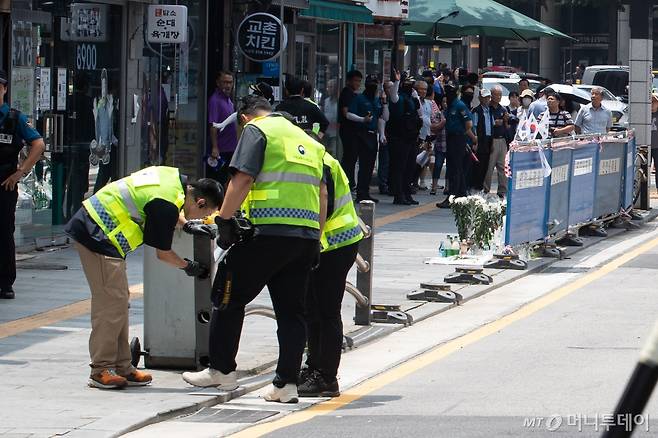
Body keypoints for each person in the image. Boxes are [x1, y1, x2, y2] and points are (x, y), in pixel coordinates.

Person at [182, 95, 328, 404]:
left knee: (226, 294)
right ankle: (286, 384)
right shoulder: (310, 142)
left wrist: (222, 221)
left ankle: (221, 371)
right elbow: (322, 194)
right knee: (291, 312)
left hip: (265, 233)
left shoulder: (257, 130)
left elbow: (243, 178)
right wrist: (317, 237)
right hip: (303, 238)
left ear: (244, 117)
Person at [65, 166, 222, 389]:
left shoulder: (175, 182)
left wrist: (186, 224)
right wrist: (189, 266)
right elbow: (163, 253)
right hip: (95, 233)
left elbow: (163, 206)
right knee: (110, 303)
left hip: (100, 231)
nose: (201, 219)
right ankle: (100, 369)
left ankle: (122, 366)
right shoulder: (166, 203)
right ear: (200, 202)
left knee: (119, 302)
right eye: (204, 215)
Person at [298, 152, 363, 398]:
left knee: (325, 311)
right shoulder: (313, 157)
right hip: (327, 243)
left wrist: (312, 240)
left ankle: (326, 376)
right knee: (313, 310)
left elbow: (325, 203)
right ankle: (314, 368)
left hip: (335, 244)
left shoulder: (319, 161)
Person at [0, 70, 46, 299]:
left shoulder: (13, 118)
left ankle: (6, 283)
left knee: (4, 232)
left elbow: (38, 144)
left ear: (5, 89)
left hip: (4, 185)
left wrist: (20, 172)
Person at [346, 74, 388, 203]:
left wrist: (382, 134)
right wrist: (362, 119)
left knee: (369, 165)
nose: (373, 87)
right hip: (361, 133)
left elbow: (383, 117)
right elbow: (348, 114)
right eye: (371, 84)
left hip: (372, 134)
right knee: (362, 165)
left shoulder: (376, 100)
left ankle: (365, 192)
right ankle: (360, 192)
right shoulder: (359, 98)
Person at [437, 82, 477, 208]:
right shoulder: (450, 105)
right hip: (451, 138)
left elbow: (468, 124)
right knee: (454, 168)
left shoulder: (459, 105)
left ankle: (453, 197)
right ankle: (461, 195)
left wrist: (470, 138)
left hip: (458, 138)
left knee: (456, 168)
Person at [388, 75, 422, 205]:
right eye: (407, 83)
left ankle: (407, 193)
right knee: (399, 168)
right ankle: (399, 194)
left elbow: (420, 115)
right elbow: (393, 95)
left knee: (409, 167)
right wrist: (396, 81)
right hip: (399, 138)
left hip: (411, 138)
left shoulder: (411, 98)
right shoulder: (399, 97)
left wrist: (416, 96)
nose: (410, 86)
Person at [208, 71, 238, 185]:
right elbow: (213, 125)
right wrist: (215, 147)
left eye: (230, 82)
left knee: (228, 180)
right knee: (218, 181)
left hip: (230, 147)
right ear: (218, 83)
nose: (228, 85)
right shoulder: (215, 100)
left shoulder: (228, 100)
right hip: (221, 149)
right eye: (225, 82)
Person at [338, 70, 363, 190]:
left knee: (352, 157)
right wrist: (362, 119)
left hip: (352, 130)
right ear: (349, 81)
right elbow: (345, 112)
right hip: (348, 130)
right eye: (356, 80)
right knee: (349, 157)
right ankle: (346, 181)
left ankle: (350, 182)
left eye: (359, 81)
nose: (358, 83)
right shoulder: (347, 93)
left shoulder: (353, 94)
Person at [483, 86, 509, 199]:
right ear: (491, 95)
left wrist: (506, 120)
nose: (498, 97)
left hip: (502, 139)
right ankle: (485, 189)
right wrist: (494, 122)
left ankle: (502, 190)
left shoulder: (503, 109)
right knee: (489, 166)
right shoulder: (487, 109)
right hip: (491, 139)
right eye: (496, 94)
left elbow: (507, 126)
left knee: (502, 166)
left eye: (500, 94)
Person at [470, 88, 493, 192]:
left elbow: (491, 125)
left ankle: (480, 186)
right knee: (478, 164)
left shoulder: (490, 111)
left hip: (488, 140)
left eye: (488, 97)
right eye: (484, 98)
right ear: (480, 98)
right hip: (480, 140)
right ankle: (476, 186)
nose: (487, 100)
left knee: (485, 165)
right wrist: (475, 141)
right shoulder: (476, 111)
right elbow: (474, 127)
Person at [430, 95, 447, 196]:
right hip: (440, 144)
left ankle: (447, 187)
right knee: (437, 165)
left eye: (447, 101)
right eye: (444, 102)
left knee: (449, 167)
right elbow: (434, 128)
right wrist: (443, 122)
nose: (445, 104)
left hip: (450, 144)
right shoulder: (439, 114)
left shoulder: (452, 113)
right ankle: (434, 187)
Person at [651, 94, 658, 192]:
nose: (652, 104)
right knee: (642, 169)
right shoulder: (644, 114)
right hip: (646, 146)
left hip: (657, 146)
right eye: (650, 102)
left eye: (654, 102)